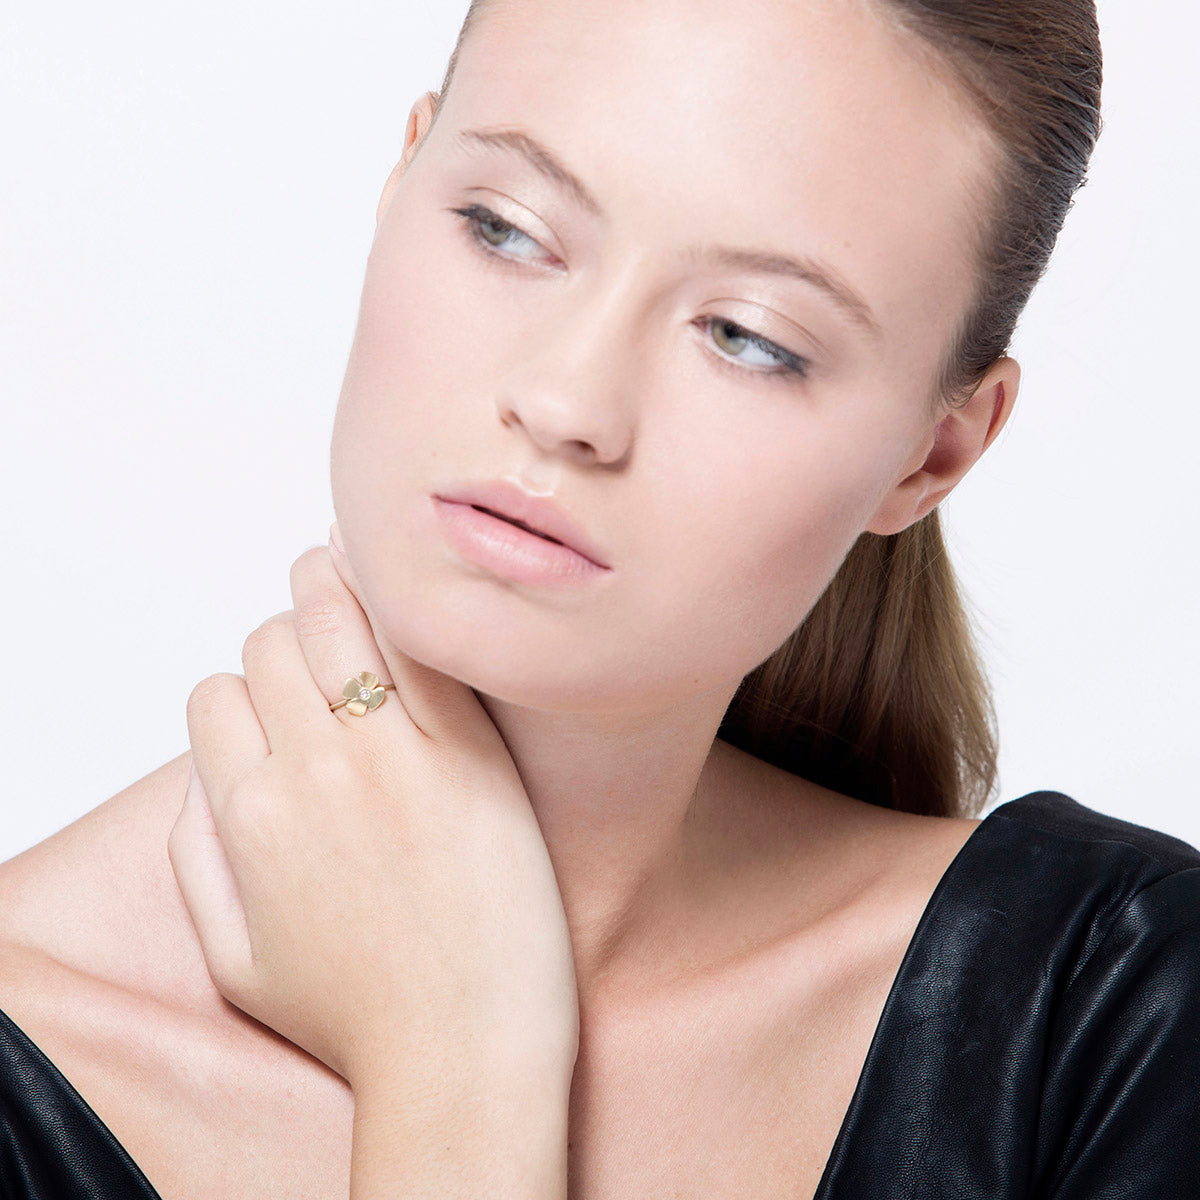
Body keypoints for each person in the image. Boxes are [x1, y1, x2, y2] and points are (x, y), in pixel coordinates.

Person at [1, 0, 1197, 1196]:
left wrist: (454, 1058)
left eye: (748, 335)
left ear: (933, 456)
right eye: (507, 229)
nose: (569, 401)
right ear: (399, 178)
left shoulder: (1113, 1016)